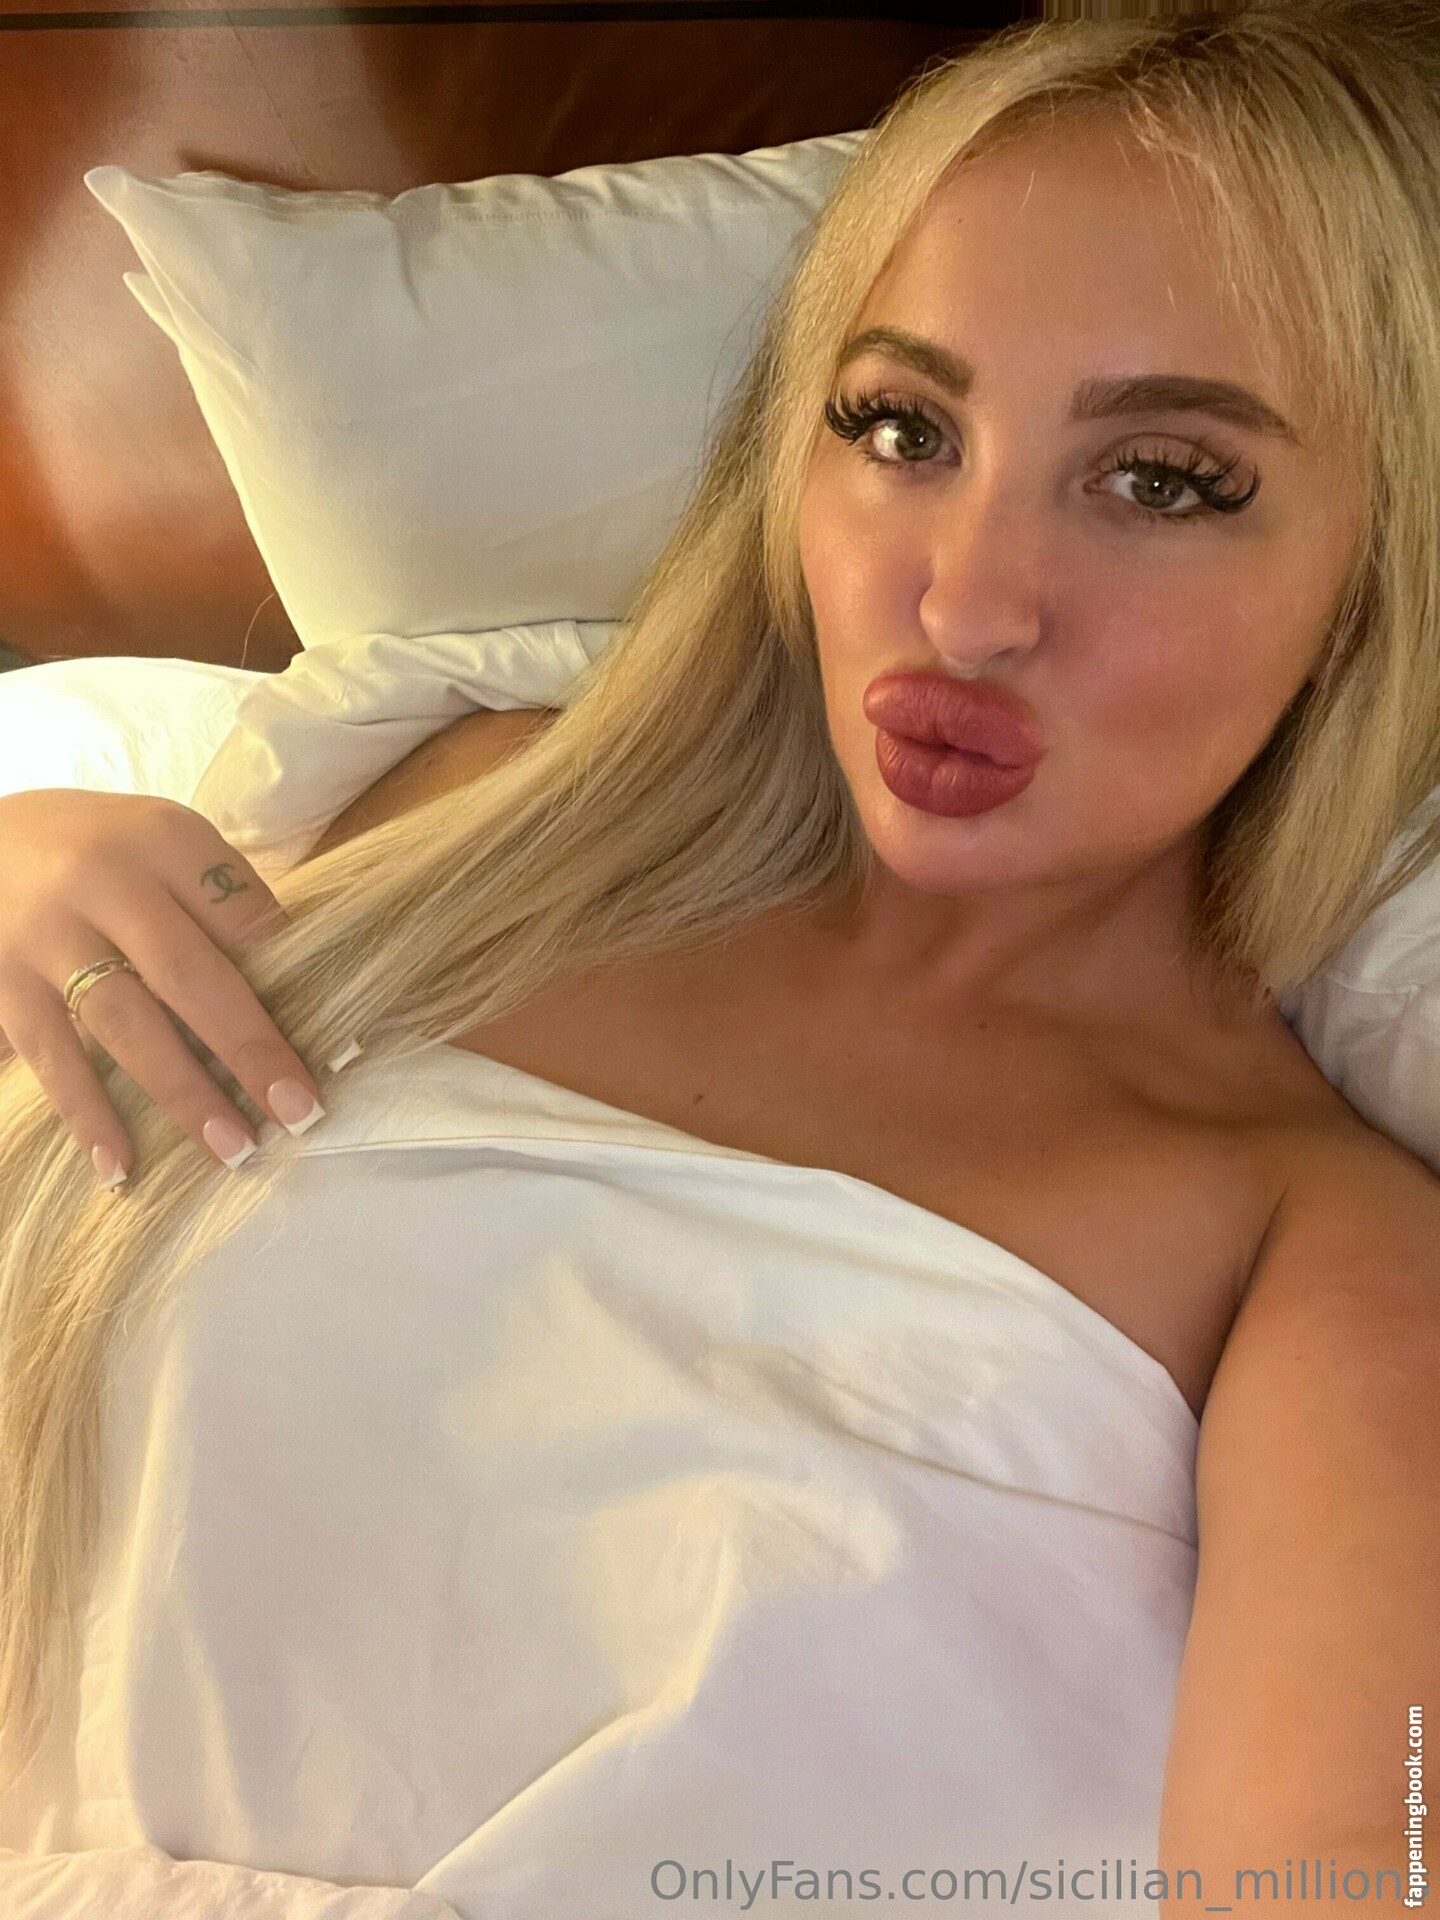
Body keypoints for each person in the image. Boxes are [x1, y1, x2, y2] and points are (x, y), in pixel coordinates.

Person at [0, 1, 1435, 1912]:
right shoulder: (466, 823)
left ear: (1381, 570)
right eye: (902, 429)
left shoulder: (1321, 1256)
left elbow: (1350, 1860)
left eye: (1165, 479)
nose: (964, 605)